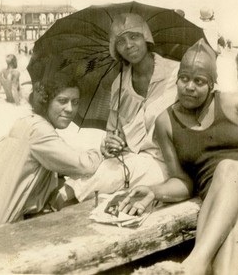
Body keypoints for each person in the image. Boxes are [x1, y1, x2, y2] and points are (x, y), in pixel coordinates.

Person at [119, 39, 238, 275]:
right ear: (176, 79)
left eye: (199, 81)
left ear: (212, 84)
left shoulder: (233, 104)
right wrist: (154, 191)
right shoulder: (165, 122)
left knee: (228, 168)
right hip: (226, 204)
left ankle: (193, 265)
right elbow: (183, 181)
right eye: (184, 78)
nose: (190, 86)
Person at [64, 13, 179, 202]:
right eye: (120, 41)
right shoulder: (119, 84)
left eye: (134, 36)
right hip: (128, 160)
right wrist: (109, 144)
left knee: (106, 176)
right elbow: (112, 132)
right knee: (93, 169)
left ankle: (60, 201)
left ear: (146, 37)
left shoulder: (175, 74)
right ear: (114, 48)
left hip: (164, 163)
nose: (129, 45)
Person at [0, 77, 103, 232]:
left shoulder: (27, 122)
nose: (70, 109)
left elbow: (55, 155)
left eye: (75, 102)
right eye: (62, 101)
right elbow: (84, 165)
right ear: (46, 102)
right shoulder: (40, 131)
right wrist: (101, 152)